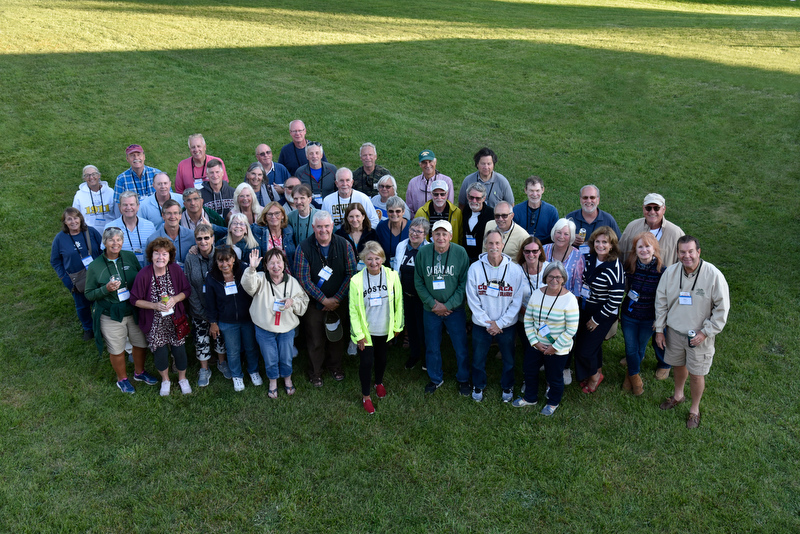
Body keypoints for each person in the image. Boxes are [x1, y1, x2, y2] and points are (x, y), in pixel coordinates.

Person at [655, 236, 730, 429]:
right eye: (682, 252)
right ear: (677, 253)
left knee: (697, 374)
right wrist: (659, 330)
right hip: (674, 332)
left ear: (698, 252)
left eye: (690, 251)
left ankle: (694, 409)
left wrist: (705, 333)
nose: (686, 256)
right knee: (679, 365)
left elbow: (722, 309)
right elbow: (661, 302)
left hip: (699, 336)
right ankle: (678, 395)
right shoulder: (671, 273)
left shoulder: (713, 275)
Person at [85, 227, 159, 394]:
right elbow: (88, 294)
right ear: (104, 242)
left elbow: (140, 278)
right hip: (110, 314)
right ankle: (122, 379)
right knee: (117, 349)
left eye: (118, 239)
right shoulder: (95, 266)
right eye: (111, 240)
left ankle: (139, 373)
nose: (115, 243)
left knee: (140, 343)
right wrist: (106, 289)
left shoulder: (130, 257)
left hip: (133, 310)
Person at [293, 210, 357, 387]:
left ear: (332, 226)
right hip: (314, 303)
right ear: (313, 227)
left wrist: (336, 298)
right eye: (319, 226)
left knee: (336, 336)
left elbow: (352, 273)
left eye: (327, 226)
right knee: (315, 338)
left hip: (339, 302)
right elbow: (303, 278)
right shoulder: (303, 247)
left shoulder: (344, 245)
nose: (323, 230)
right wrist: (323, 299)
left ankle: (335, 366)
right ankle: (315, 371)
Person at [466, 229, 525, 403]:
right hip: (481, 324)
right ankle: (478, 385)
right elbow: (472, 299)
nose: (494, 247)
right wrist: (487, 323)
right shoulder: (475, 268)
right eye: (490, 243)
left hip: (506, 325)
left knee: (508, 358)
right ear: (485, 245)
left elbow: (517, 300)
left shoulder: (515, 270)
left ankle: (507, 386)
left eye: (497, 243)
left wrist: (499, 323)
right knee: (478, 358)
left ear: (503, 245)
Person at [514, 262, 580, 416]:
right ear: (545, 277)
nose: (554, 280)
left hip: (558, 348)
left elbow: (571, 329)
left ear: (563, 279)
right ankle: (530, 398)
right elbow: (529, 319)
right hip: (536, 344)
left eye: (558, 277)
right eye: (550, 276)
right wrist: (534, 342)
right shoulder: (537, 294)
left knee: (555, 377)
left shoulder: (570, 299)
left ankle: (553, 402)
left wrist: (554, 347)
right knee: (529, 371)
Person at [414, 220, 471, 396]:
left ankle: (463, 378)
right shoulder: (423, 253)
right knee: (432, 345)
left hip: (454, 310)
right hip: (430, 310)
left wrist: (448, 305)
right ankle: (435, 378)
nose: (440, 237)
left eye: (444, 234)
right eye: (437, 234)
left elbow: (464, 283)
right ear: (431, 236)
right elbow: (419, 282)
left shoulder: (460, 253)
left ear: (451, 236)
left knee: (460, 345)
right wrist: (433, 305)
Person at [131, 237, 193, 397]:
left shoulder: (175, 270)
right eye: (156, 253)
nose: (160, 257)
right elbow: (134, 300)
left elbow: (186, 291)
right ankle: (165, 380)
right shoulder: (143, 274)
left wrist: (175, 299)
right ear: (151, 256)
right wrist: (154, 306)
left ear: (170, 256)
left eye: (164, 254)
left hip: (175, 320)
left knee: (179, 351)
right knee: (160, 353)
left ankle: (182, 378)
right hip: (155, 323)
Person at [244, 248, 308, 398]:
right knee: (270, 357)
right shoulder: (259, 278)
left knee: (286, 356)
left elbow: (303, 302)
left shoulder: (291, 281)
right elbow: (248, 286)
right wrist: (252, 268)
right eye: (271, 263)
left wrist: (292, 301)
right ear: (265, 265)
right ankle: (273, 381)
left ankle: (287, 379)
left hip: (286, 328)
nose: (275, 266)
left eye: (279, 262)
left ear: (284, 264)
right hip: (264, 327)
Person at [349, 241, 404, 414]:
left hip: (385, 328)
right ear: (363, 260)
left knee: (382, 359)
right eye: (369, 259)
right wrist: (359, 335)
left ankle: (378, 382)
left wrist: (397, 325)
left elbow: (399, 303)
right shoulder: (356, 280)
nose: (374, 263)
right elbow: (353, 310)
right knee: (366, 362)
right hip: (367, 331)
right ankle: (366, 396)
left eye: (377, 258)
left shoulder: (392, 276)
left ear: (383, 259)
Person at [574, 226, 625, 394]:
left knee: (584, 349)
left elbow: (615, 300)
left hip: (603, 312)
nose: (600, 245)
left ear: (612, 246)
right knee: (591, 344)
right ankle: (594, 371)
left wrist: (596, 320)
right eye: (597, 241)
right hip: (585, 306)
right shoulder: (588, 257)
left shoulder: (614, 268)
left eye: (605, 242)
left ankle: (595, 376)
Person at [620, 232, 666, 395]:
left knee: (640, 348)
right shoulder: (629, 267)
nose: (644, 250)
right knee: (631, 348)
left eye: (648, 246)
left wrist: (660, 320)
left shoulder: (663, 272)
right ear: (635, 250)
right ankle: (635, 378)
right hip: (629, 316)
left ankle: (629, 375)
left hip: (649, 319)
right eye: (640, 247)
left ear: (654, 249)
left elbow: (666, 300)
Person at [184, 224, 229, 386]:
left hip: (219, 308)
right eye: (199, 239)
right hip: (198, 308)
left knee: (220, 337)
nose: (203, 242)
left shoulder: (220, 255)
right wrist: (202, 314)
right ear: (195, 240)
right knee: (201, 338)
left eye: (206, 238)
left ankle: (222, 362)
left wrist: (214, 318)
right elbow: (189, 285)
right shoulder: (190, 257)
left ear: (213, 238)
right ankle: (204, 369)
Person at [51, 207, 103, 340]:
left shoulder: (91, 232)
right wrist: (65, 279)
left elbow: (103, 250)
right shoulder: (60, 239)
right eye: (69, 219)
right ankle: (88, 328)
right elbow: (55, 261)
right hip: (76, 279)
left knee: (100, 302)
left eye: (75, 217)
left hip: (97, 275)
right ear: (65, 222)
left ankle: (102, 325)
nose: (73, 221)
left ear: (80, 218)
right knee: (82, 305)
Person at [393, 217, 430, 370]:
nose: (414, 234)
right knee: (412, 327)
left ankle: (428, 358)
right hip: (406, 296)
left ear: (425, 234)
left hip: (423, 299)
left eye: (419, 231)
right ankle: (414, 355)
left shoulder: (429, 249)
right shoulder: (402, 246)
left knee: (424, 329)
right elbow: (397, 269)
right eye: (412, 230)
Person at [619, 193, 685, 267]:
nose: (652, 212)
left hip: (665, 278)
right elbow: (619, 255)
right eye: (648, 208)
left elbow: (684, 264)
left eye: (656, 208)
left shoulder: (676, 233)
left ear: (664, 209)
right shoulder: (631, 227)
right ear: (643, 208)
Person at [514, 237, 550, 353]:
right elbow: (511, 297)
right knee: (531, 350)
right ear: (522, 252)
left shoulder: (549, 268)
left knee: (549, 344)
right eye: (527, 251)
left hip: (547, 317)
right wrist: (529, 313)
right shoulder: (516, 271)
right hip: (524, 317)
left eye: (534, 251)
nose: (531, 254)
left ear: (540, 251)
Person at [566, 185, 621, 253]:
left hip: (600, 261)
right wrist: (570, 239)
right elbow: (558, 240)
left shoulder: (608, 220)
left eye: (592, 197)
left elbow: (617, 244)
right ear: (580, 199)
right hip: (575, 261)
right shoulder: (570, 218)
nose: (589, 201)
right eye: (585, 198)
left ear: (598, 200)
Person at [106, 191, 156, 265]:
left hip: (146, 272)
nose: (129, 208)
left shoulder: (149, 226)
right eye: (125, 205)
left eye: (132, 204)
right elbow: (107, 254)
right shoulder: (110, 228)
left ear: (138, 206)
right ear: (120, 207)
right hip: (122, 272)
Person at [145, 200, 196, 267]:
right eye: (169, 213)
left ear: (180, 215)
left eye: (175, 213)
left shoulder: (192, 236)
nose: (172, 217)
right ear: (163, 216)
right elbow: (148, 267)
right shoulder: (152, 240)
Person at [543, 218, 584, 297]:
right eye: (558, 232)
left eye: (566, 234)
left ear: (571, 236)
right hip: (544, 297)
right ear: (553, 233)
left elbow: (577, 287)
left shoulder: (578, 256)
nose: (561, 237)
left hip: (566, 301)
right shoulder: (543, 250)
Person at [512, 176, 559, 245]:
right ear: (525, 190)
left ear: (542, 190)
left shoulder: (551, 211)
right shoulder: (516, 210)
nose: (534, 194)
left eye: (537, 190)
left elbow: (555, 235)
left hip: (544, 248)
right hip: (521, 247)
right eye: (531, 190)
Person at [414, 180, 463, 245]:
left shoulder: (456, 212)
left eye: (442, 194)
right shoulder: (421, 212)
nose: (439, 197)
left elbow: (460, 236)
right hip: (428, 251)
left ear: (447, 194)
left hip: (450, 251)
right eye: (436, 194)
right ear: (431, 194)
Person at [73, 165, 118, 232]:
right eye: (87, 175)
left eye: (94, 174)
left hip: (110, 232)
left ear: (99, 175)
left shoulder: (110, 192)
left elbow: (118, 213)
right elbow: (75, 216)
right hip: (89, 233)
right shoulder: (79, 195)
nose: (91, 177)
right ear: (84, 178)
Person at [252, 202, 296, 267]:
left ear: (282, 216)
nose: (273, 217)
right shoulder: (259, 231)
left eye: (277, 213)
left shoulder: (289, 230)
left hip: (288, 272)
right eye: (270, 214)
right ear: (265, 217)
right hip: (267, 273)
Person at [335, 204, 378, 269]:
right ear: (347, 218)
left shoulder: (372, 234)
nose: (355, 220)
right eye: (351, 216)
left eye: (357, 216)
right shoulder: (339, 235)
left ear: (363, 217)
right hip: (346, 272)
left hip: (367, 272)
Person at [296, 142, 337, 208]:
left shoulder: (332, 170)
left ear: (321, 155)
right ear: (307, 156)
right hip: (309, 209)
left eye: (317, 153)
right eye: (311, 153)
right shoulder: (300, 172)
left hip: (329, 207)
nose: (314, 156)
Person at [461, 183, 495, 264]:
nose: (474, 201)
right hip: (465, 257)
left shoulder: (491, 215)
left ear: (484, 198)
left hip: (483, 259)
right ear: (467, 196)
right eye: (471, 197)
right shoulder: (466, 210)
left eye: (478, 198)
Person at [375, 196, 409, 268]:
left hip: (406, 268)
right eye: (391, 211)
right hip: (386, 268)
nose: (394, 214)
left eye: (398, 211)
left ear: (403, 211)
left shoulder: (411, 227)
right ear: (387, 212)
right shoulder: (381, 227)